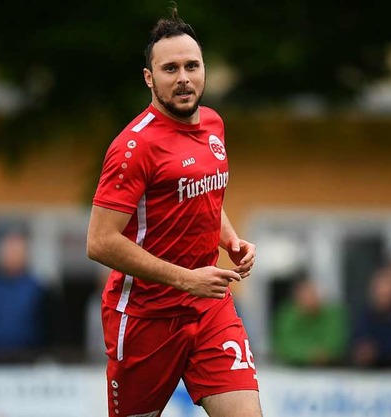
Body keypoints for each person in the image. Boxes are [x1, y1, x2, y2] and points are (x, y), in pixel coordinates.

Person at [86, 7, 261, 417]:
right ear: (150, 78)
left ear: (204, 70)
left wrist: (230, 240)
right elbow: (99, 242)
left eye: (191, 66)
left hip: (210, 306)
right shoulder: (133, 147)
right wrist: (186, 280)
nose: (183, 77)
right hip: (147, 315)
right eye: (170, 68)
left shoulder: (214, 124)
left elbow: (204, 199)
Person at [0, 231, 49, 363]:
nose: (10, 255)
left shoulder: (36, 288)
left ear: (25, 255)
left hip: (26, 360)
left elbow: (45, 328)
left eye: (15, 251)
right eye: (7, 251)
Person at [273, 278, 348, 366]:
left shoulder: (333, 315)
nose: (309, 299)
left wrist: (322, 354)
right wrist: (309, 355)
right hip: (294, 369)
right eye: (304, 296)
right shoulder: (288, 316)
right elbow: (284, 345)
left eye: (313, 294)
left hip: (331, 368)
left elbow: (336, 342)